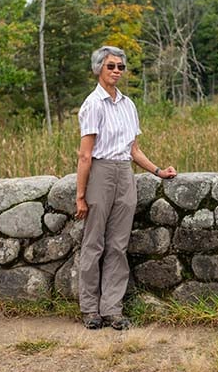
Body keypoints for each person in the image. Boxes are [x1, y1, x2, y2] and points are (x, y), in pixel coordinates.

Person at [76, 46, 177, 330]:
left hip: (124, 173)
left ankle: (112, 309)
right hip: (100, 172)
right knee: (93, 242)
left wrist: (158, 171)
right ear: (99, 68)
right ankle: (90, 309)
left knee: (118, 245)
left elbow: (133, 149)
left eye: (121, 66)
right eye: (111, 66)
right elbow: (85, 155)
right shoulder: (92, 104)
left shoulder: (128, 105)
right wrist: (80, 195)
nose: (117, 71)